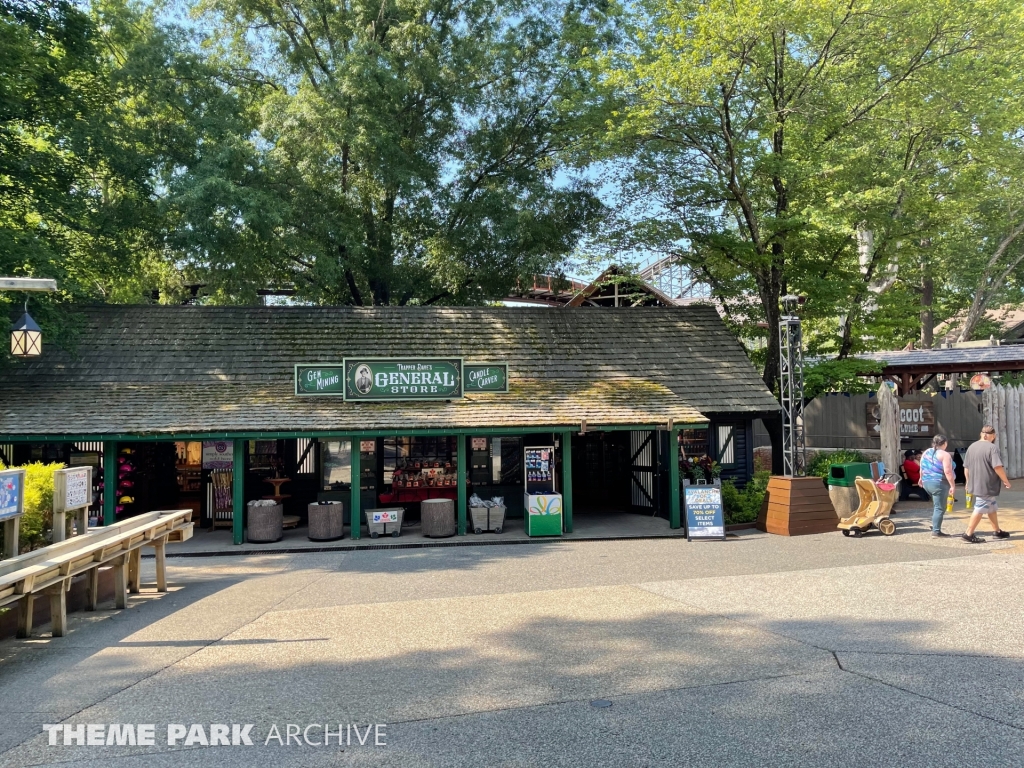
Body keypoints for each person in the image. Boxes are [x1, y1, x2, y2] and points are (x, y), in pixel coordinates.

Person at [962, 425, 1012, 543]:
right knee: (980, 507)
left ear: (981, 434)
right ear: (993, 435)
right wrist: (1005, 480)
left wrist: (968, 481)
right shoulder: (992, 448)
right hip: (987, 484)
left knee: (991, 507)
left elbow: (966, 467)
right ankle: (968, 533)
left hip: (975, 482)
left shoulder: (971, 447)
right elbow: (997, 467)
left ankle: (997, 531)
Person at [919, 435, 956, 537]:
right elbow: (948, 472)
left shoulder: (926, 452)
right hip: (939, 483)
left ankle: (936, 524)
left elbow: (922, 466)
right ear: (945, 443)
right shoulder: (945, 455)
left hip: (927, 482)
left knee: (937, 506)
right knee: (939, 508)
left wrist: (920, 478)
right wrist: (952, 485)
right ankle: (936, 531)